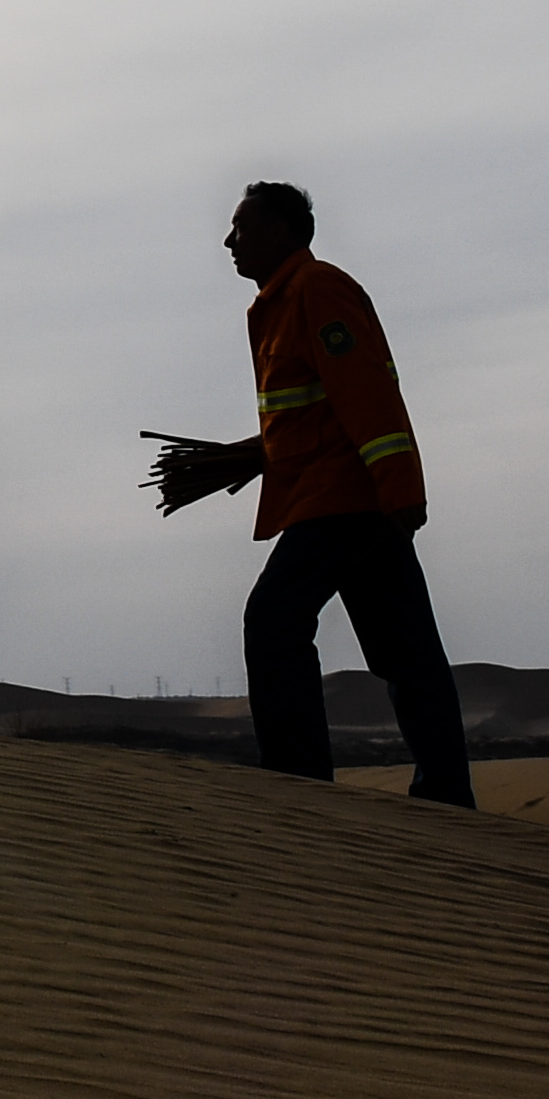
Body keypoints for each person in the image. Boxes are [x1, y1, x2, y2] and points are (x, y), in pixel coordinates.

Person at [216, 180, 472, 805]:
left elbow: (365, 391)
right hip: (341, 496)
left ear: (279, 231)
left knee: (273, 621)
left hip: (344, 497)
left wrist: (399, 484)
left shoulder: (317, 289)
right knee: (406, 650)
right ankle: (445, 794)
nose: (229, 241)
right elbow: (315, 411)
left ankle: (299, 782)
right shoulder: (280, 304)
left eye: (241, 227)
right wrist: (256, 453)